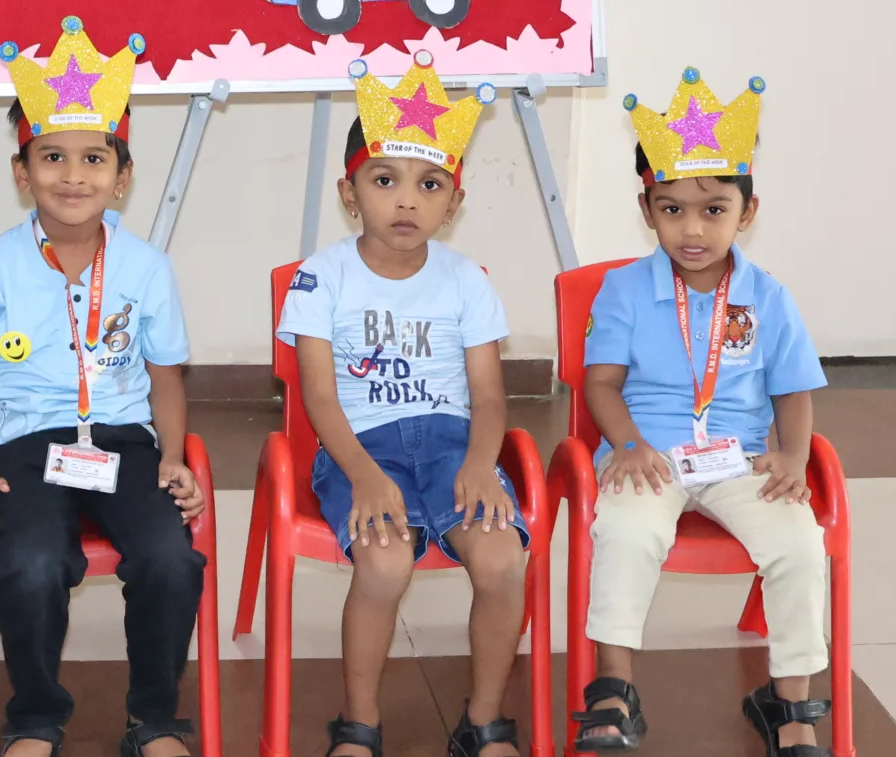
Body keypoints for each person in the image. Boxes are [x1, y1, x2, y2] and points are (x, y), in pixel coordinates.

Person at [0, 17, 206, 757]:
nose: (72, 175)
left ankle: (154, 718)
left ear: (122, 176)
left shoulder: (147, 267)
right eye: (52, 156)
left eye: (94, 158)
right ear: (22, 172)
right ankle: (34, 718)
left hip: (124, 442)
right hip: (23, 445)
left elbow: (164, 375)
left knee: (170, 558)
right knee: (31, 564)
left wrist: (173, 457)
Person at [573, 70, 831, 757]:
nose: (692, 229)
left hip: (738, 458)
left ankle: (790, 702)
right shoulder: (624, 289)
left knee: (800, 544)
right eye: (672, 209)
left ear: (747, 211)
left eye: (713, 209)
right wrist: (627, 443)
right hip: (648, 456)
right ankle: (613, 688)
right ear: (647, 208)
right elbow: (601, 384)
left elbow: (793, 390)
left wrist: (793, 456)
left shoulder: (768, 297)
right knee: (627, 531)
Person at [277, 59, 527, 757]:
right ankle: (359, 723)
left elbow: (488, 395)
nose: (407, 201)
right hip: (361, 447)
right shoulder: (320, 276)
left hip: (453, 445)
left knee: (502, 559)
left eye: (430, 184)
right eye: (384, 180)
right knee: (385, 565)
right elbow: (319, 395)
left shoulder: (466, 280)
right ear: (349, 192)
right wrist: (362, 474)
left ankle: (483, 720)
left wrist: (480, 463)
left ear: (455, 200)